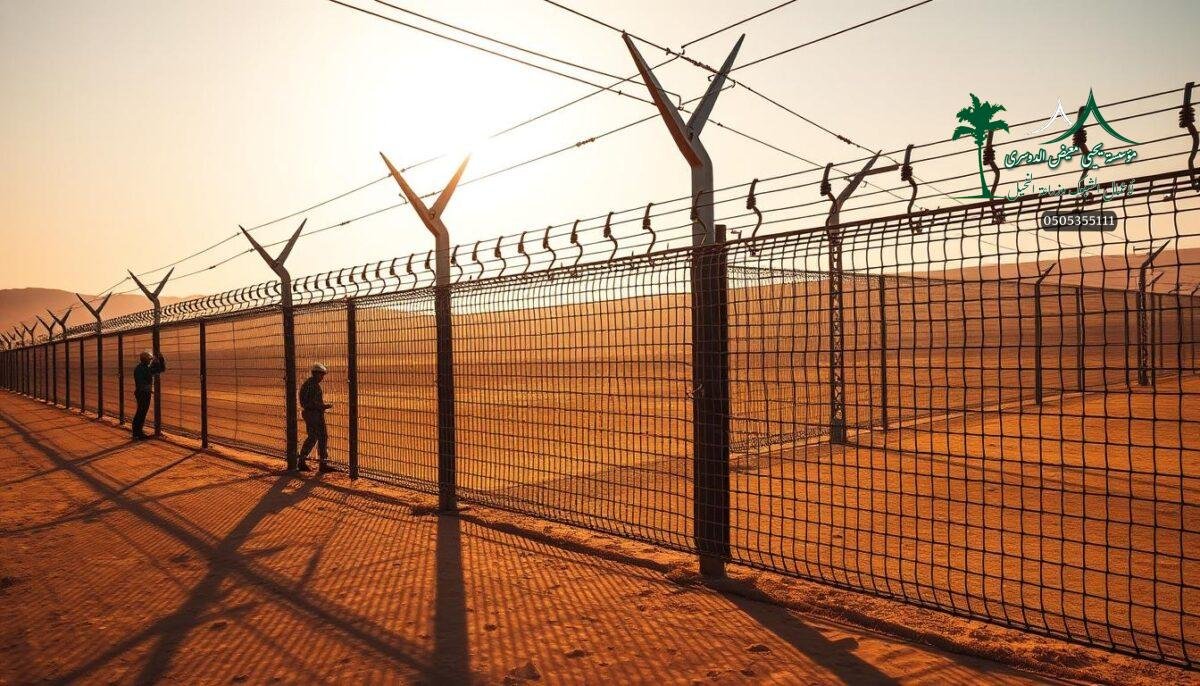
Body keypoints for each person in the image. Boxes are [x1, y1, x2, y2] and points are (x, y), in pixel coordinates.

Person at [298, 362, 334, 472]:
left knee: (317, 437)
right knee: (317, 437)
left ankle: (308, 461)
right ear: (316, 374)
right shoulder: (313, 386)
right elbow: (311, 403)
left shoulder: (309, 384)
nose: (322, 377)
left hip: (313, 414)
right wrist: (324, 406)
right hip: (314, 414)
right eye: (321, 375)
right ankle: (307, 462)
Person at [131, 349, 166, 440]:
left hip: (141, 393)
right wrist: (160, 360)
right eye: (149, 359)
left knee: (140, 412)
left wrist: (158, 361)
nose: (150, 361)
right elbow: (159, 369)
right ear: (145, 359)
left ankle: (137, 432)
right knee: (141, 413)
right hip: (143, 393)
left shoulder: (140, 368)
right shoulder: (144, 369)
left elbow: (158, 369)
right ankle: (137, 433)